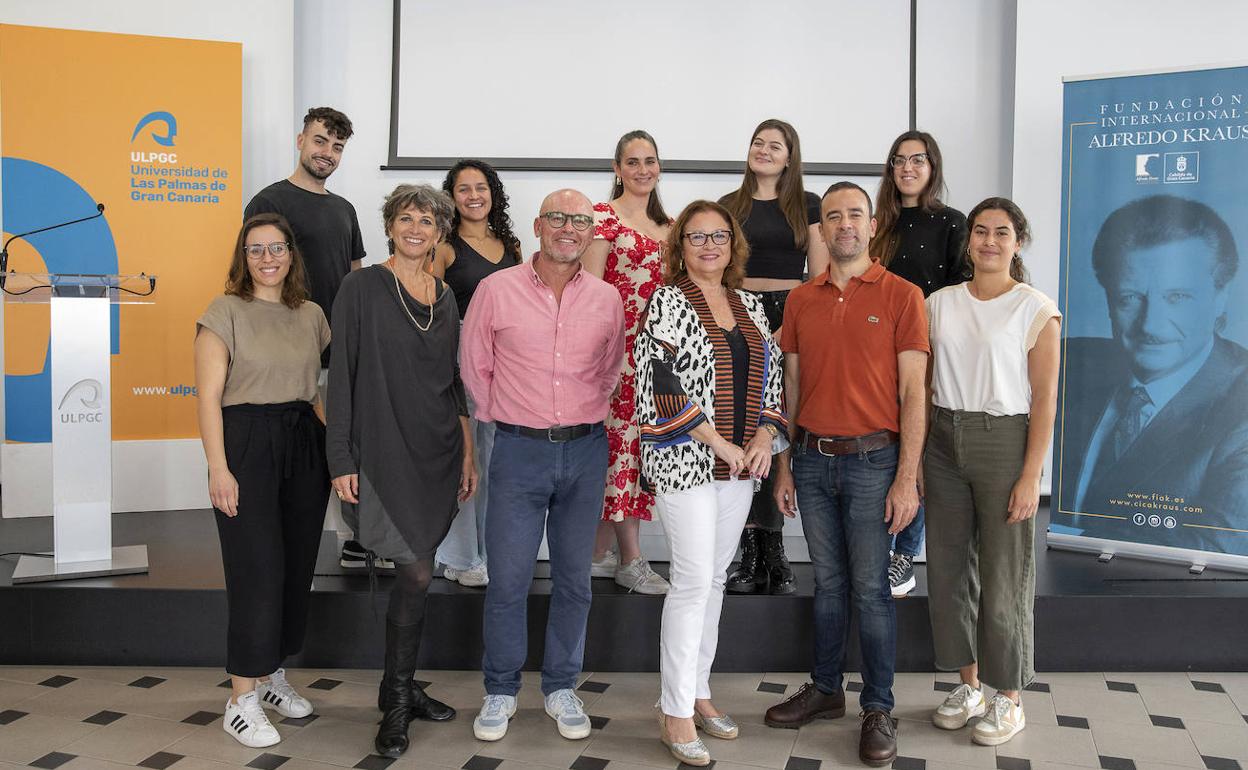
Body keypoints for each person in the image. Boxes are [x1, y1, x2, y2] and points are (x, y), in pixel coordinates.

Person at [765, 182, 928, 767]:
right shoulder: (801, 300)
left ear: (872, 223)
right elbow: (791, 388)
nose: (844, 225)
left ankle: (878, 708)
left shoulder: (903, 295)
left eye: (855, 214)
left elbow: (914, 393)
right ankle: (826, 690)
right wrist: (784, 465)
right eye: (833, 216)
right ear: (822, 228)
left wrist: (907, 478)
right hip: (811, 461)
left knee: (872, 589)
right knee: (829, 585)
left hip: (874, 463)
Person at [461, 189, 626, 743]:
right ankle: (501, 689)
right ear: (538, 225)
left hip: (585, 450)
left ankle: (560, 686)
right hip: (517, 450)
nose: (568, 228)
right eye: (557, 217)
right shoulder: (496, 289)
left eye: (579, 220)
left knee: (575, 580)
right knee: (508, 579)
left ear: (590, 233)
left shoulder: (606, 298)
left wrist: (582, 415)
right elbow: (474, 364)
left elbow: (611, 367)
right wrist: (507, 418)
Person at [326, 184, 475, 758]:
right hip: (383, 450)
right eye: (406, 218)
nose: (416, 228)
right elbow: (341, 376)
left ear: (441, 233)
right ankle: (395, 698)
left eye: (427, 221)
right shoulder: (360, 287)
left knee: (422, 569)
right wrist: (341, 458)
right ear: (389, 226)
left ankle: (402, 687)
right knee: (414, 573)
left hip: (437, 451)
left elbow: (453, 382)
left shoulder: (446, 296)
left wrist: (467, 452)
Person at [636, 201, 787, 765]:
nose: (709, 246)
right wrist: (720, 443)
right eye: (696, 237)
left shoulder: (750, 305)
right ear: (681, 245)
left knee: (716, 580)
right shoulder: (667, 301)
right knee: (693, 581)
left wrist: (763, 438)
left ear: (733, 244)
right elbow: (660, 385)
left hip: (740, 469)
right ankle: (674, 710)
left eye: (719, 236)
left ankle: (698, 691)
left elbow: (772, 380)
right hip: (686, 462)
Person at [924, 198, 1060, 746]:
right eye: (980, 231)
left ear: (1017, 242)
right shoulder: (939, 303)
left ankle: (1009, 696)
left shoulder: (1035, 309)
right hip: (941, 439)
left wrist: (1031, 475)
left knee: (1005, 573)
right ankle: (969, 686)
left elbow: (1045, 400)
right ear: (969, 240)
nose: (988, 241)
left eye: (1001, 233)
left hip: (1003, 440)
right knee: (949, 570)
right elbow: (924, 382)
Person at [195, 213, 330, 748]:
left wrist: (338, 452)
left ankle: (273, 676)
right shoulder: (224, 311)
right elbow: (208, 397)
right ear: (243, 257)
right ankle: (240, 700)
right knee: (257, 570)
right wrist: (219, 468)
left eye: (276, 248)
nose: (267, 258)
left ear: (291, 254)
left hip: (304, 442)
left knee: (295, 568)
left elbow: (314, 390)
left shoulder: (312, 314)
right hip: (246, 443)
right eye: (256, 249)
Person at [1060, 194, 1248, 554]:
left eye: (1177, 297)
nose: (1151, 325)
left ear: (1221, 297)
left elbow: (1222, 542)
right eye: (1130, 297)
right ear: (1109, 300)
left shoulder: (1241, 403)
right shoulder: (1069, 364)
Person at [243, 107, 373, 571]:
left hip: (341, 350)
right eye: (320, 141)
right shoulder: (269, 201)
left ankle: (357, 539)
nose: (327, 153)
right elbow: (256, 272)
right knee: (295, 445)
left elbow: (355, 278)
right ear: (301, 141)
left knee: (346, 443)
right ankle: (283, 544)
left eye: (337, 147)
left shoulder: (344, 209)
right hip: (288, 348)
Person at [719, 118, 828, 596]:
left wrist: (788, 327)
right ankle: (750, 548)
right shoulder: (728, 205)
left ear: (790, 157)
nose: (763, 150)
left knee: (778, 423)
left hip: (790, 312)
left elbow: (818, 277)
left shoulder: (808, 204)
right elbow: (718, 271)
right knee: (742, 424)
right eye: (757, 143)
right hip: (737, 312)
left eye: (775, 146)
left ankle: (775, 548)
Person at [870, 130, 967, 597]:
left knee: (917, 447)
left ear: (933, 167)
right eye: (899, 160)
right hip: (874, 349)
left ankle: (905, 554)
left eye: (917, 159)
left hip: (926, 350)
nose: (907, 168)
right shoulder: (878, 225)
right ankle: (877, 547)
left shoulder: (951, 222)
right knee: (880, 444)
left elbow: (961, 293)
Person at [583, 130, 673, 595]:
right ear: (617, 169)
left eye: (649, 161)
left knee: (640, 455)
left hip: (660, 360)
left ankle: (596, 554)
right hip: (618, 355)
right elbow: (591, 293)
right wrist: (610, 356)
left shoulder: (672, 226)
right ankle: (632, 561)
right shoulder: (603, 218)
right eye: (632, 162)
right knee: (620, 453)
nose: (642, 170)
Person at [427, 159, 523, 588]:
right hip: (461, 358)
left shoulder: (511, 246)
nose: (473, 196)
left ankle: (488, 553)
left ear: (492, 193)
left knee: (498, 462)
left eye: (480, 187)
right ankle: (460, 557)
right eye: (463, 189)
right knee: (466, 459)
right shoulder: (444, 248)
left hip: (508, 365)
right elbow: (429, 309)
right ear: (452, 197)